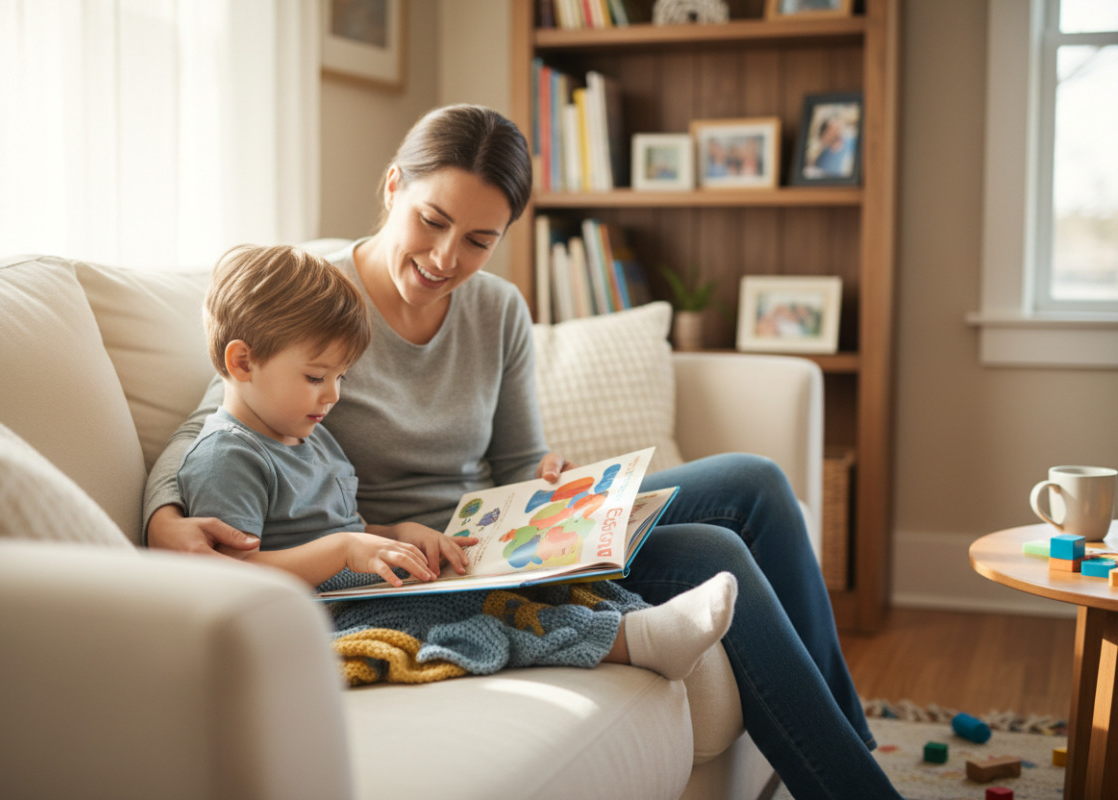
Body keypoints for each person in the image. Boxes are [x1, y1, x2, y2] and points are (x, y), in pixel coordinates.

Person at [144, 104, 901, 798]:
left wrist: (555, 485)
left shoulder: (498, 309)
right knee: (713, 547)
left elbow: (515, 462)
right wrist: (165, 515)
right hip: (414, 564)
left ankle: (852, 749)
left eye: (479, 240)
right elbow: (217, 420)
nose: (445, 257)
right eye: (432, 221)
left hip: (498, 534)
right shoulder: (320, 302)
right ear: (391, 188)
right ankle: (850, 784)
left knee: (756, 483)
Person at [176, 242, 738, 685]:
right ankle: (636, 641)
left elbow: (344, 526)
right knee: (471, 611)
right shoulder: (229, 456)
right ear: (242, 361)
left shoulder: (305, 433)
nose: (333, 396)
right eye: (317, 377)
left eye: (341, 378)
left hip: (362, 586)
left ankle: (630, 619)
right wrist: (343, 552)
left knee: (519, 584)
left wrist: (397, 533)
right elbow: (226, 580)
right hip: (317, 618)